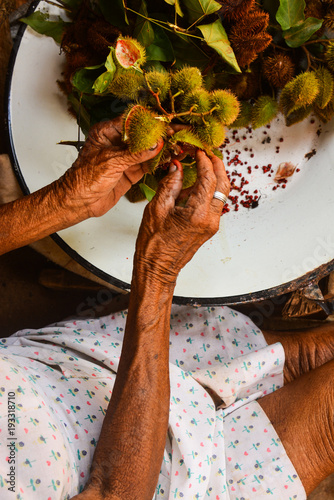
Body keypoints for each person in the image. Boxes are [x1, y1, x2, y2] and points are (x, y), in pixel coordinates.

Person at [0, 116, 333, 500]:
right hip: (182, 480)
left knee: (309, 354)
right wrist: (156, 273)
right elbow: (117, 493)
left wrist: (64, 200)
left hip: (89, 362)